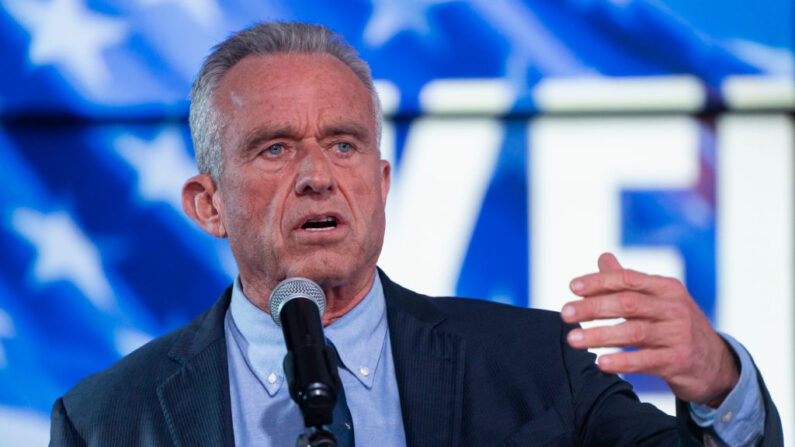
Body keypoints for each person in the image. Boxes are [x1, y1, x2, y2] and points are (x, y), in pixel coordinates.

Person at [49, 21, 782, 446]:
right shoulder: (107, 419)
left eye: (342, 144)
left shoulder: (536, 369)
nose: (316, 175)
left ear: (381, 181)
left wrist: (719, 378)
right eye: (274, 148)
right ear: (207, 204)